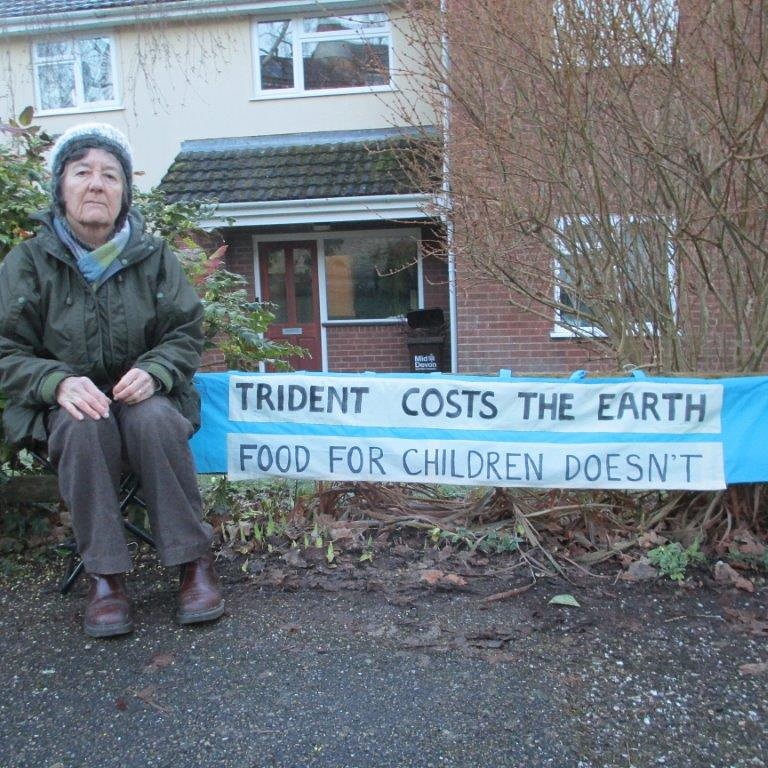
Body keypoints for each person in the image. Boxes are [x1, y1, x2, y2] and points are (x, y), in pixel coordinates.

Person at [0, 123, 224, 637]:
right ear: (60, 187)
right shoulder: (27, 263)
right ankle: (104, 579)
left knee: (154, 421)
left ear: (124, 192)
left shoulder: (154, 257)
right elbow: (6, 349)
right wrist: (56, 382)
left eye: (110, 175)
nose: (96, 184)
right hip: (64, 409)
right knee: (84, 424)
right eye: (82, 172)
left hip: (145, 399)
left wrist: (156, 371)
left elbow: (185, 332)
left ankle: (194, 565)